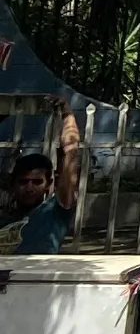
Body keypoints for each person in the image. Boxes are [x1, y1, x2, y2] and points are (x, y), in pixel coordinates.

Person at [3, 109, 82, 255]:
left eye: (37, 182)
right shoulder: (4, 217)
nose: (29, 188)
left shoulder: (54, 213)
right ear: (13, 184)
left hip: (37, 276)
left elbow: (71, 153)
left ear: (48, 184)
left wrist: (67, 115)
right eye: (23, 182)